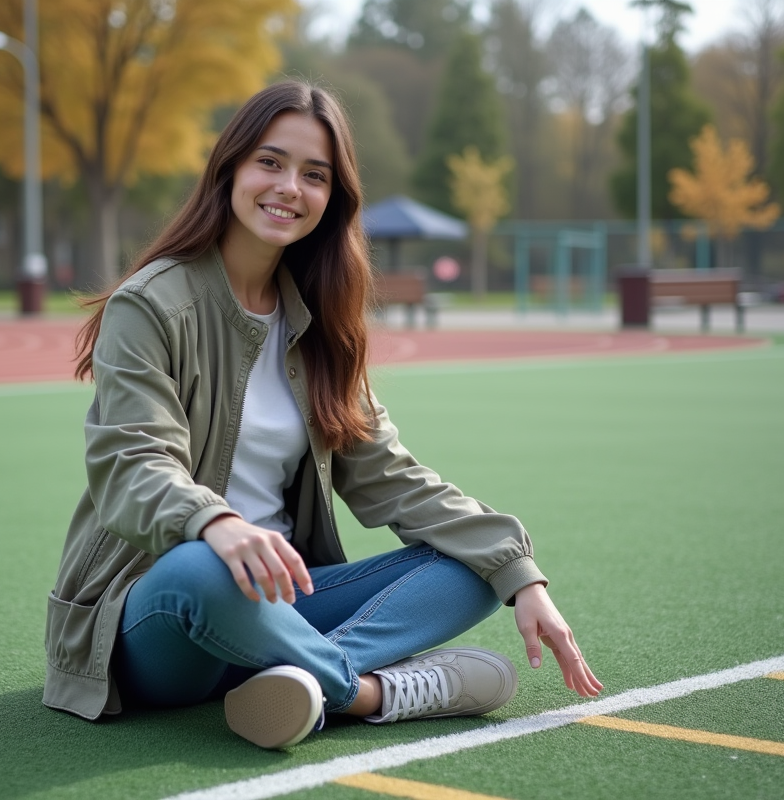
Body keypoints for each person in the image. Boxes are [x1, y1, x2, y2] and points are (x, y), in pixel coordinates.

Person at [44, 81, 601, 749]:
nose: (289, 188)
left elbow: (390, 475)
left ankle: (302, 682)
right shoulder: (153, 304)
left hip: (278, 610)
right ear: (231, 169)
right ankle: (367, 692)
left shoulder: (320, 323)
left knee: (474, 561)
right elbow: (131, 464)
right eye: (270, 163)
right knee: (204, 568)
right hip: (158, 615)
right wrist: (215, 522)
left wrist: (521, 575)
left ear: (333, 199)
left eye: (315, 175)